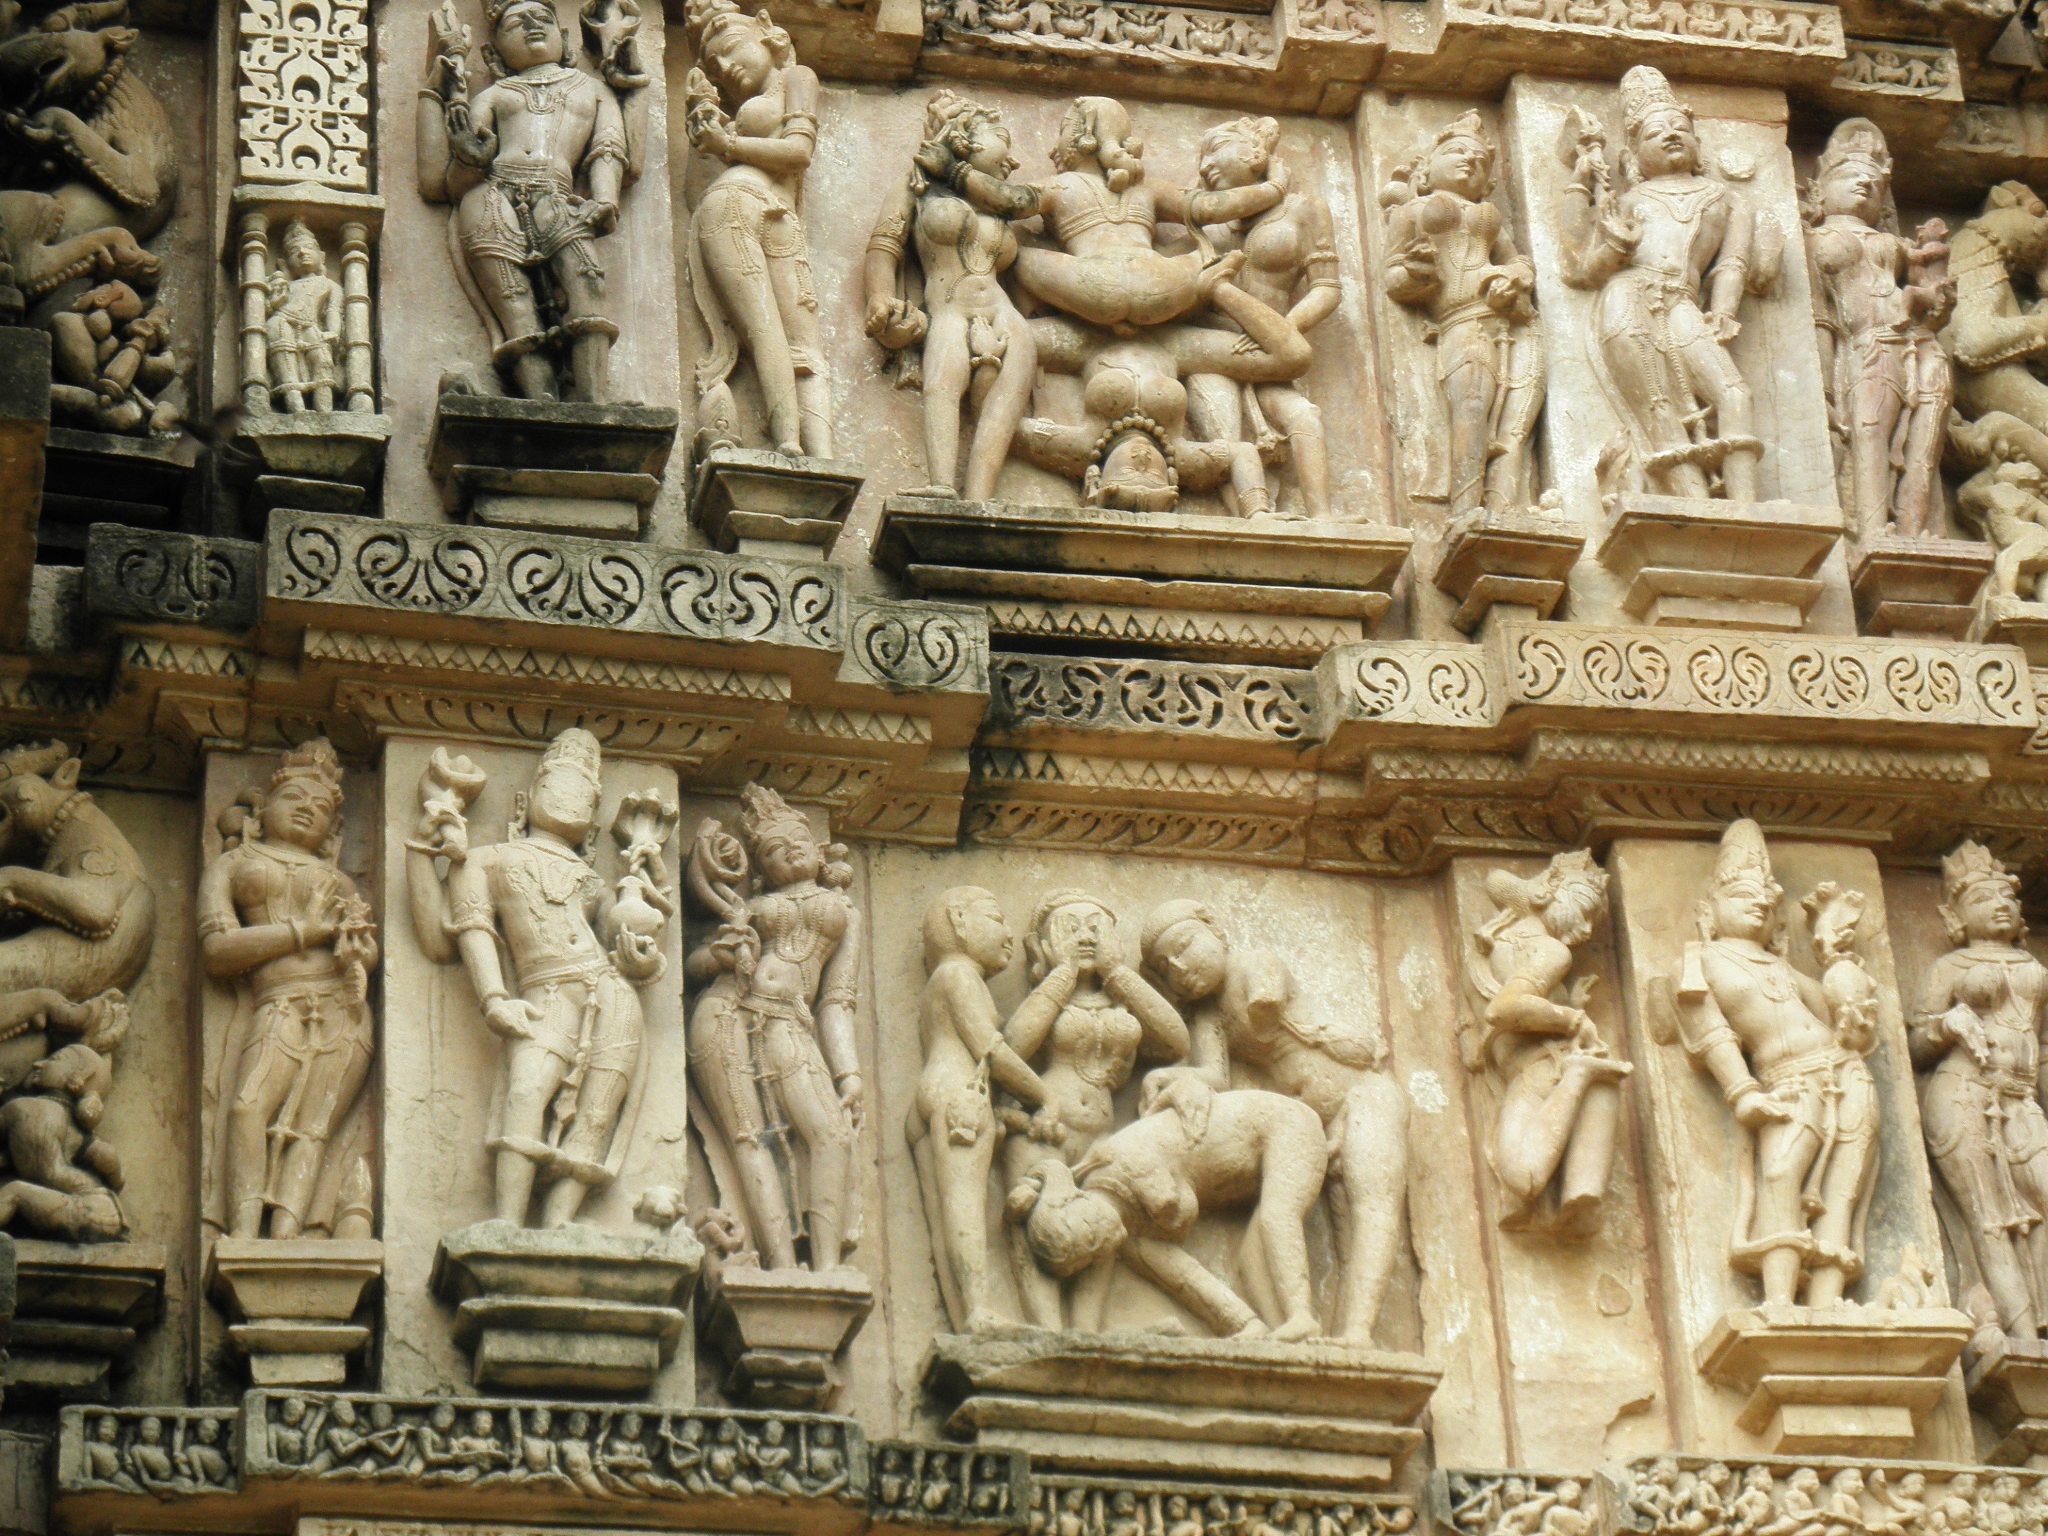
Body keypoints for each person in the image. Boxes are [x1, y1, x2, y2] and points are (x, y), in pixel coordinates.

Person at [1139, 901, 1406, 1342]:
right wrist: (1169, 1077)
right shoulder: (1209, 1016)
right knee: (1264, 1245)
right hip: (1309, 1125)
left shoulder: (1255, 965)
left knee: (1370, 1210)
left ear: (1215, 932)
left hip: (1362, 1095)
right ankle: (1302, 1330)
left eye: (1185, 946)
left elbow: (1266, 1006)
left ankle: (1357, 1332)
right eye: (1167, 969)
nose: (1180, 968)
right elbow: (1216, 1078)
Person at [1673, 819, 1879, 1307]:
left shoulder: (1783, 967)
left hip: (1846, 1073)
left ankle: (1827, 1304)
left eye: (1767, 901)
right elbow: (1711, 1033)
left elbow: (1837, 1012)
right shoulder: (1700, 962)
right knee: (1781, 1176)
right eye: (1743, 895)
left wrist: (1837, 962)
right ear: (1708, 910)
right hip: (1787, 1083)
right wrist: (1742, 1094)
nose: (1760, 905)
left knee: (1843, 1188)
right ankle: (1781, 1302)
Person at [1562, 66, 1766, 501]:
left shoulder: (1728, 200)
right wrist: (1614, 241)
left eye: (1680, 128)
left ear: (1698, 144)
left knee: (1734, 392)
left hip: (1683, 302)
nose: (1671, 135)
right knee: (1656, 402)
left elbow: (1732, 263)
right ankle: (1694, 504)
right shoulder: (1628, 200)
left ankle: (1746, 505)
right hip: (1628, 296)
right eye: (1655, 132)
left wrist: (1724, 310)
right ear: (1632, 156)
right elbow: (1581, 270)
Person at [200, 738, 376, 1240]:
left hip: (342, 1007)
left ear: (332, 830)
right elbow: (218, 951)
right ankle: (243, 1233)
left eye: (320, 807)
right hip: (278, 1002)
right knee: (247, 1108)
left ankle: (286, 1237)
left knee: (313, 1126)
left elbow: (365, 950)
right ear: (262, 809)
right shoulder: (233, 864)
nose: (306, 810)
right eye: (294, 797)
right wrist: (305, 932)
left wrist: (358, 954)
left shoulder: (340, 882)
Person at [687, 785, 863, 1270]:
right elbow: (695, 965)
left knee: (832, 1135)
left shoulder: (844, 910)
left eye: (799, 841)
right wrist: (720, 955)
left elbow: (837, 998)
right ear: (760, 870)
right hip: (725, 1011)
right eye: (773, 849)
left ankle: (826, 1266)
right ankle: (781, 1267)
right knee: (749, 1137)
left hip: (789, 1021)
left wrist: (848, 1071)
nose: (790, 850)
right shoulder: (747, 907)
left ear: (820, 852)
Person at [420, 0, 628, 401]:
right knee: (513, 300)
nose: (532, 24)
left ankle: (595, 402)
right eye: (516, 22)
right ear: (493, 52)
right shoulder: (495, 94)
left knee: (587, 283)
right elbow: (445, 184)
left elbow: (608, 149)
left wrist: (605, 198)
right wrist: (468, 157)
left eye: (543, 18)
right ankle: (540, 401)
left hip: (557, 196)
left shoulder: (591, 88)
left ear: (564, 38)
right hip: (491, 195)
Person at [865, 91, 1040, 501]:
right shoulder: (917, 187)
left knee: (1000, 412)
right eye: (1002, 140)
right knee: (941, 388)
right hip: (950, 312)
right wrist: (879, 297)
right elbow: (884, 246)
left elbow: (1027, 203)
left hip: (1004, 315)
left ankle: (980, 502)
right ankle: (941, 485)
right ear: (965, 139)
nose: (1014, 161)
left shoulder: (998, 201)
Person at [1910, 842, 2048, 1340]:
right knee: (1988, 1216)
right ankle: (2021, 1334)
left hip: (2022, 1099)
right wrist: (1947, 1025)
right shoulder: (1950, 967)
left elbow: (2042, 1044)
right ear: (1956, 917)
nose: (2000, 905)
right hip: (1963, 1093)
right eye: (1983, 898)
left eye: (2007, 897)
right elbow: (1918, 1043)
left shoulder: (2030, 965)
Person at [683, 0, 831, 455]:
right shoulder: (736, 118)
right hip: (730, 205)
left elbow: (798, 153)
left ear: (766, 31)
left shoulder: (796, 78)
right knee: (764, 330)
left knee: (804, 344)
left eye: (731, 47)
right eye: (714, 65)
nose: (725, 67)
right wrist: (703, 117)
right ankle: (788, 443)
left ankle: (824, 457)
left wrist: (726, 143)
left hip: (776, 213)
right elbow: (692, 194)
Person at [1382, 112, 1543, 517]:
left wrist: (1514, 277)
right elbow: (1392, 279)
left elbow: (1517, 259)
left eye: (1480, 160)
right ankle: (1465, 508)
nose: (1469, 160)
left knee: (1514, 421)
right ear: (1426, 170)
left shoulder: (1486, 214)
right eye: (1456, 151)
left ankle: (1501, 505)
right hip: (1460, 319)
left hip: (1511, 318)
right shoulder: (1412, 211)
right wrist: (1419, 273)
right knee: (1471, 406)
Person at [909, 886, 1056, 1330]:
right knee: (965, 1204)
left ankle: (965, 1318)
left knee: (945, 1213)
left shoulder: (942, 980)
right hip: (959, 1095)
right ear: (958, 920)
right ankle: (978, 1310)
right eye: (995, 918)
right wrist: (1042, 1095)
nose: (1008, 933)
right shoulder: (959, 975)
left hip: (936, 1094)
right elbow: (990, 1049)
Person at [1186, 115, 1341, 520]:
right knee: (1224, 437)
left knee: (1304, 416)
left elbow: (1327, 288)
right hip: (1214, 347)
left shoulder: (1303, 208)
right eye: (1201, 158)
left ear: (1255, 151)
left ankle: (1322, 518)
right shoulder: (1204, 221)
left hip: (1270, 348)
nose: (1204, 165)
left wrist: (1283, 329)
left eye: (1216, 149)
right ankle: (1255, 519)